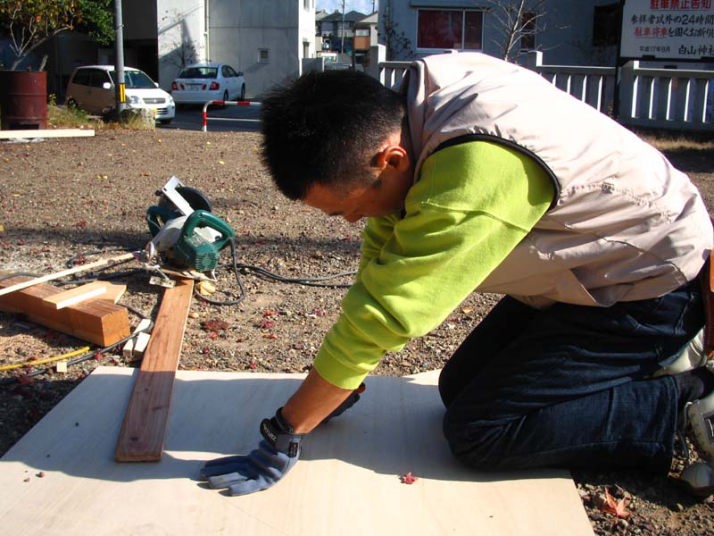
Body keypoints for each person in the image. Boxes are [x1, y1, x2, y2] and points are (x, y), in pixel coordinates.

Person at [200, 52, 714, 496]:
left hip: (651, 286)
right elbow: (383, 251)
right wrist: (343, 381)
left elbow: (387, 311)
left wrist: (286, 430)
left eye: (345, 209)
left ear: (391, 160)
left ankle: (683, 402)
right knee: (457, 388)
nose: (352, 221)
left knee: (481, 432)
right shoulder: (414, 112)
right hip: (589, 265)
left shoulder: (476, 168)